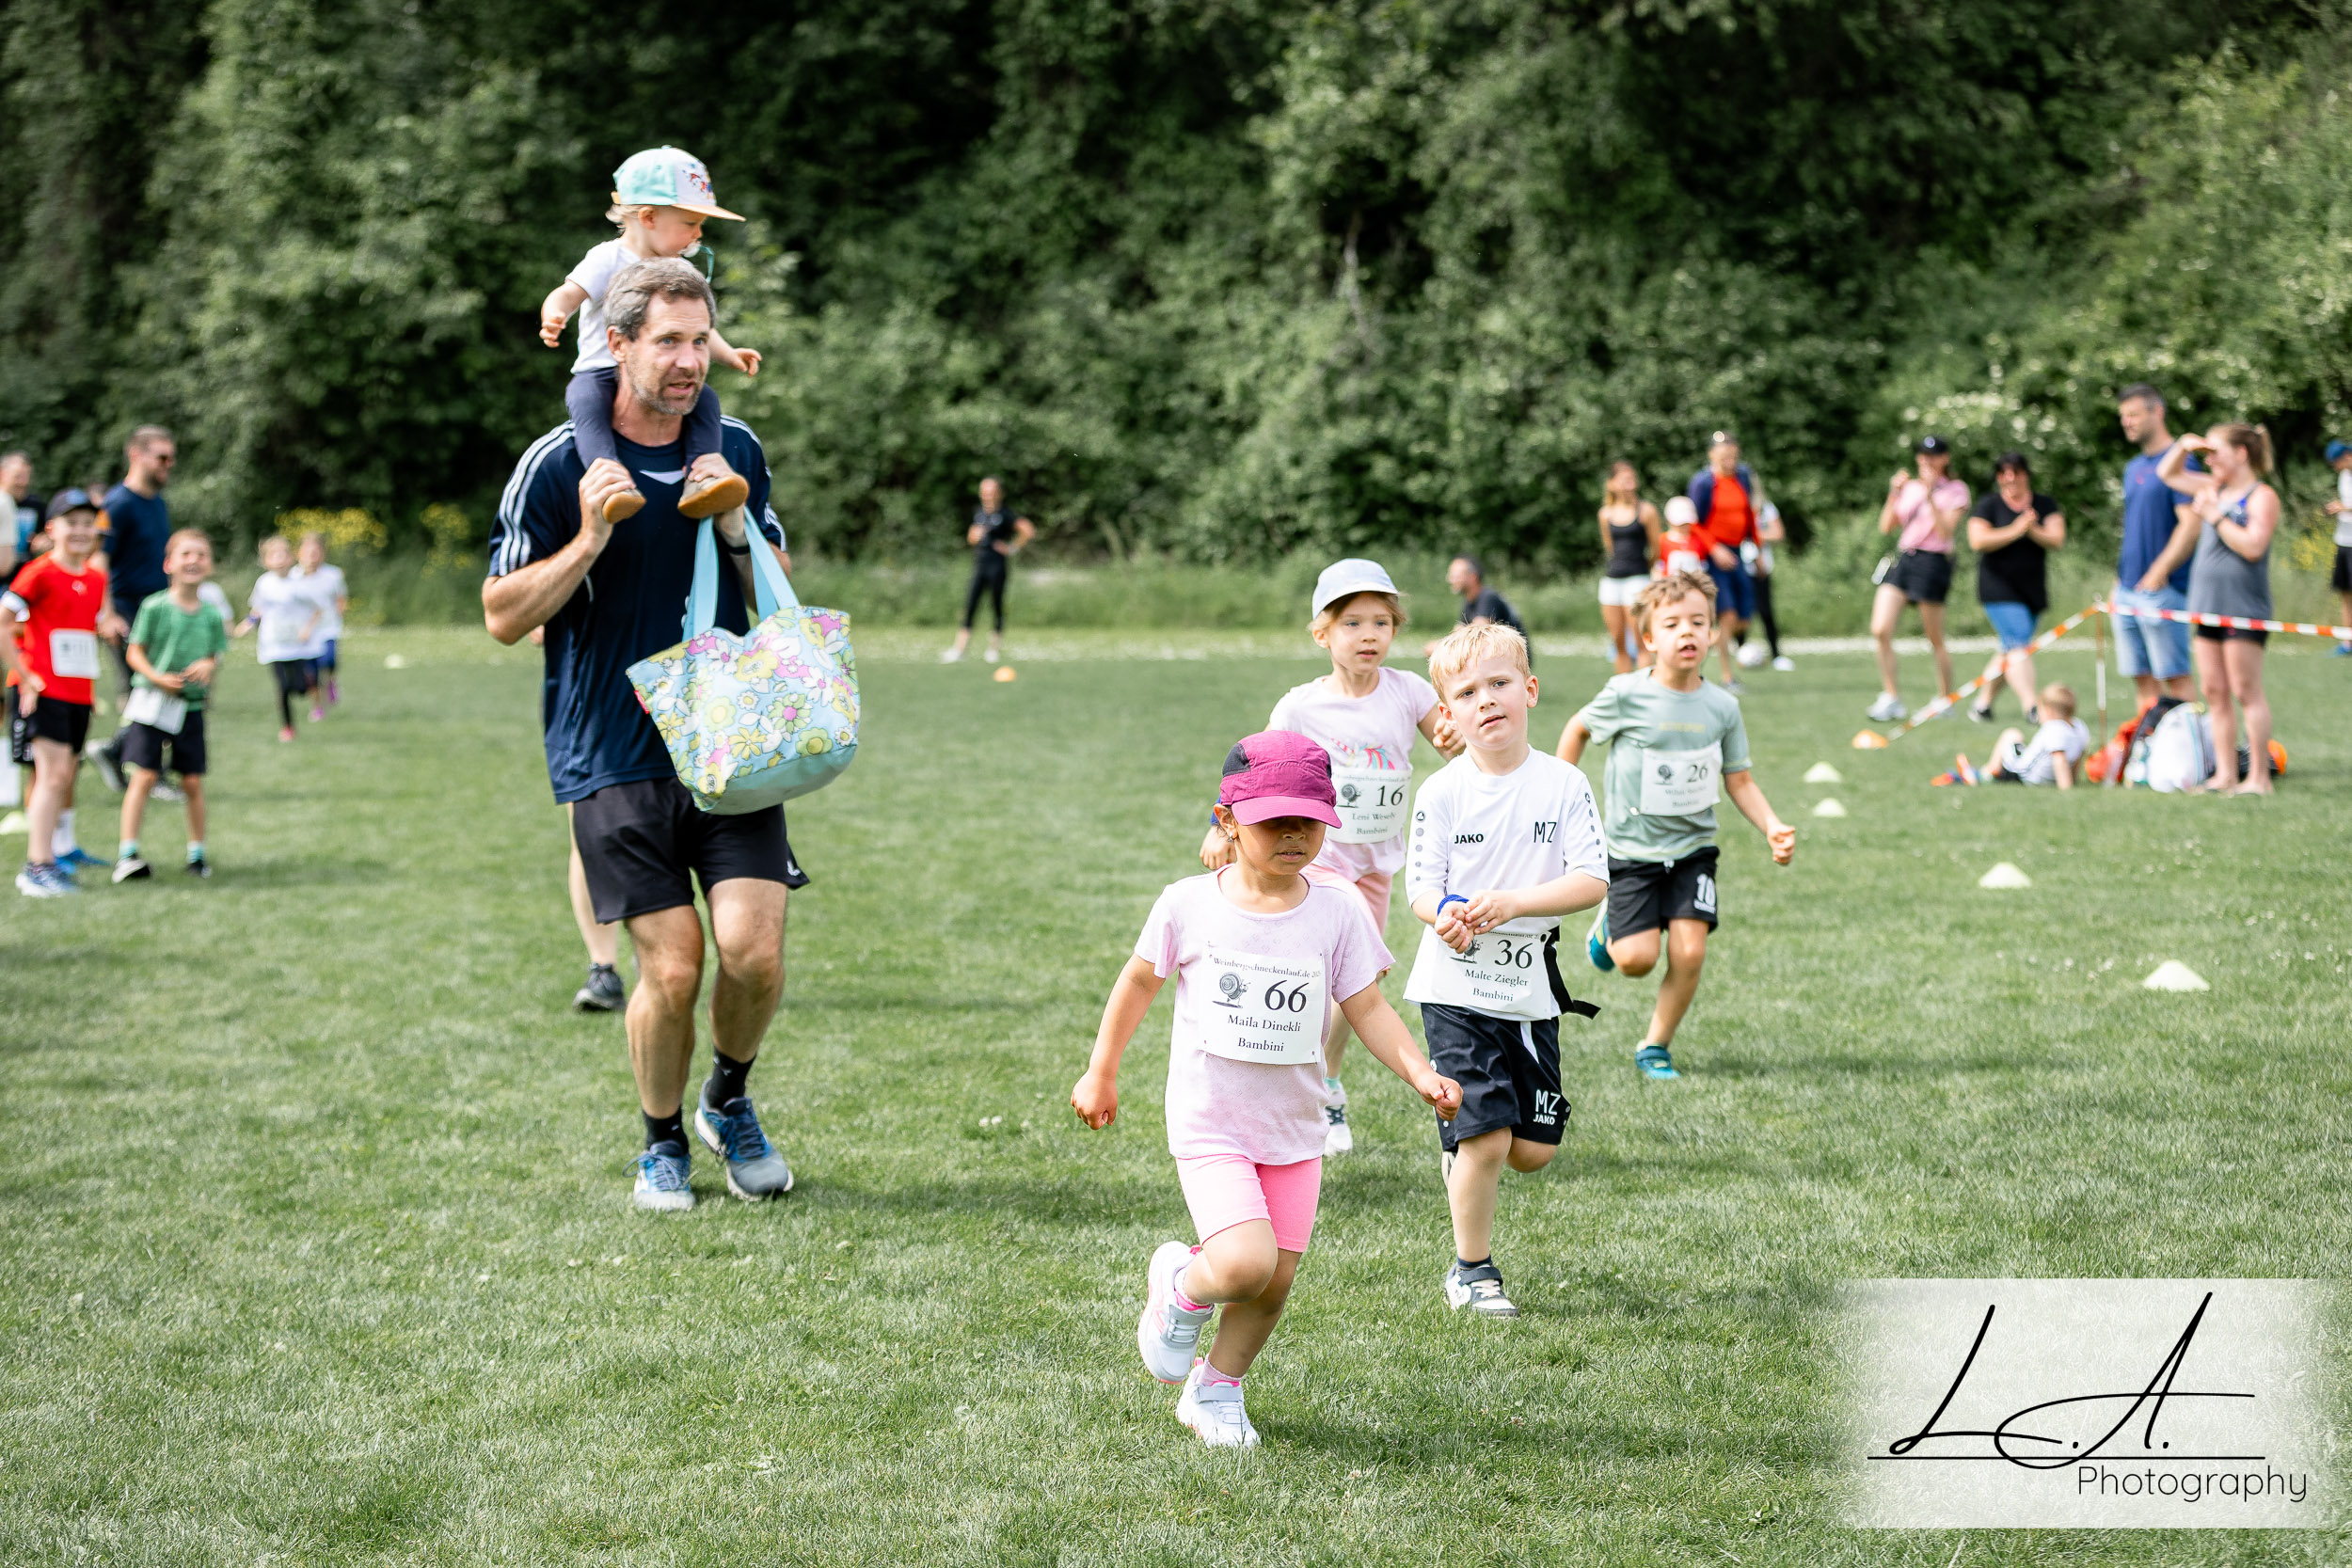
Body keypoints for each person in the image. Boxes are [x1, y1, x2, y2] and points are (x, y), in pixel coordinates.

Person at [487, 256, 806, 1210]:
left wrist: (739, 523)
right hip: (610, 749)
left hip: (727, 740)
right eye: (668, 341)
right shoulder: (558, 464)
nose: (689, 361)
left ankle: (727, 1099)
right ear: (617, 342)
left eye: (699, 341)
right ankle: (660, 1141)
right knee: (672, 966)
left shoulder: (733, 446)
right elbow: (501, 614)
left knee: (754, 951)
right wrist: (589, 537)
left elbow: (778, 583)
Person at [1072, 731, 1460, 1448]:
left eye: (1308, 820)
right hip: (1211, 1121)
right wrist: (1102, 1069)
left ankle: (1216, 1389)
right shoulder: (1187, 903)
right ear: (1226, 819)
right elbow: (1137, 982)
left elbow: (1367, 1006)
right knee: (1243, 1264)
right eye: (1273, 820)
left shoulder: (1338, 908)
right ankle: (1182, 1284)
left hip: (1294, 1127)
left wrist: (1419, 1070)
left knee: (1274, 1283)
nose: (1293, 834)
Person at [1199, 560, 1458, 1156]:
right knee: (1357, 974)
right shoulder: (1301, 707)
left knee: (1353, 983)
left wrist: (1457, 738)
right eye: (1352, 623)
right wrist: (1220, 827)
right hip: (1320, 860)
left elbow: (1452, 744)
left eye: (1381, 622)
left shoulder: (1408, 691)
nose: (1369, 635)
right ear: (1322, 634)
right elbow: (1255, 765)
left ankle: (1326, 1079)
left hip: (1378, 864)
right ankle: (1309, 1083)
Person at [1406, 622, 1609, 1319]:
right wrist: (1446, 914)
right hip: (1454, 989)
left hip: (1528, 991)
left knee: (1531, 1151)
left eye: (1499, 684)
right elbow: (1421, 889)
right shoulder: (1441, 792)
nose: (1486, 700)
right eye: (1467, 693)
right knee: (1487, 1138)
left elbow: (1591, 880)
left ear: (1530, 690)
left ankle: (1464, 1147)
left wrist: (1516, 903)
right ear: (1449, 714)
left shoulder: (1564, 783)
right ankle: (1472, 1270)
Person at [1562, 573, 1796, 1081]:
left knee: (1690, 951)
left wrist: (1772, 826)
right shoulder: (1626, 694)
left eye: (1698, 622)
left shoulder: (1723, 707)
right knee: (1636, 961)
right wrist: (1560, 795)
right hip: (1630, 852)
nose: (1687, 632)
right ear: (1649, 638)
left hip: (1693, 851)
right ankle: (1609, 928)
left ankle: (1655, 1046)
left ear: (1713, 632)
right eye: (1671, 624)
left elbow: (1740, 779)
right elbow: (1577, 729)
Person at [537, 146, 758, 527]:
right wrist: (554, 315)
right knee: (586, 405)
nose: (698, 233)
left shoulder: (681, 270)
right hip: (601, 371)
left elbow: (701, 331)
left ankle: (703, 477)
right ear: (649, 217)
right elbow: (567, 294)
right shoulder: (608, 258)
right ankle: (611, 483)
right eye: (691, 222)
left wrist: (730, 355)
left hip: (658, 374)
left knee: (706, 399)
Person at [3, 492, 124, 896]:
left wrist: (108, 628)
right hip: (43, 691)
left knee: (64, 777)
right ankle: (36, 867)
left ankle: (54, 855)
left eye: (88, 523)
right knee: (51, 776)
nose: (81, 531)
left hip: (78, 694)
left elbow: (81, 630)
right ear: (51, 528)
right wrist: (26, 675)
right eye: (72, 523)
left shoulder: (95, 578)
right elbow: (3, 623)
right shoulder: (37, 573)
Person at [2160, 423, 2280, 795]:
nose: (2209, 460)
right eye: (2206, 454)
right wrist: (2184, 446)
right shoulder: (2212, 489)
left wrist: (2214, 516)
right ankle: (2225, 774)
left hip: (2243, 608)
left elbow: (2253, 547)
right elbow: (2168, 474)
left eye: (2216, 452)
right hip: (2207, 607)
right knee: (2213, 690)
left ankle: (2258, 777)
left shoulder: (2261, 496)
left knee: (2245, 691)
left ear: (2241, 454)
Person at [112, 530, 228, 880]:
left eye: (201, 554)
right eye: (186, 554)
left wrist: (208, 665)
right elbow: (135, 652)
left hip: (190, 708)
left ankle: (197, 855)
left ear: (210, 565)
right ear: (169, 564)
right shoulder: (154, 606)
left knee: (191, 781)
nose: (194, 560)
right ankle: (128, 854)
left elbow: (215, 655)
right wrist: (156, 677)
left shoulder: (211, 614)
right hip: (152, 705)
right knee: (144, 776)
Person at [87, 427, 176, 790]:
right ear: (136, 455)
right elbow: (98, 561)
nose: (169, 464)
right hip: (126, 613)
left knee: (155, 692)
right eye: (162, 457)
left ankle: (116, 752)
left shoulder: (157, 502)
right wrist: (106, 615)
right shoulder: (117, 504)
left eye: (171, 458)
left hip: (157, 613)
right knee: (149, 690)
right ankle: (149, 772)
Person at [1866, 435, 1968, 721]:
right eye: (1923, 455)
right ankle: (1891, 697)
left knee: (1934, 637)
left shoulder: (1956, 490)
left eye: (1933, 455)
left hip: (1933, 561)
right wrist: (1894, 494)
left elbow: (1945, 531)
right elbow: (1886, 526)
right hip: (1905, 558)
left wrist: (1931, 493)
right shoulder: (1909, 488)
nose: (1927, 461)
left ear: (1944, 459)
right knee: (1880, 629)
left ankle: (1945, 699)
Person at [2111, 385, 2201, 707]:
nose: (2127, 422)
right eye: (2123, 416)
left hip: (2163, 590)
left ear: (2157, 412)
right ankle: (2148, 740)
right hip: (2126, 589)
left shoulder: (2181, 464)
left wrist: (2160, 570)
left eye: (2134, 414)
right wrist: (2120, 580)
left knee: (2175, 679)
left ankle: (2189, 740)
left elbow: (2191, 524)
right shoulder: (2133, 467)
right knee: (2143, 680)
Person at [1965, 452, 2066, 722]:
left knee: (2011, 649)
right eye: (2003, 473)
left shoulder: (2044, 504)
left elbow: (2057, 538)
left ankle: (1982, 705)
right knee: (2019, 643)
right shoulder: (1989, 505)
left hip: (2031, 590)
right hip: (1998, 588)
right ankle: (2032, 707)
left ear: (2026, 474)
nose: (2010, 478)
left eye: (2016, 472)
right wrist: (2017, 529)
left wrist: (2032, 530)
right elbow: (1978, 540)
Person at [1686, 432, 1761, 690]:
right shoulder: (1703, 482)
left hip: (1738, 552)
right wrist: (1715, 549)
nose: (1729, 458)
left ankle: (1701, 645)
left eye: (1732, 453)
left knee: (1744, 617)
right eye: (1723, 454)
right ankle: (1727, 677)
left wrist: (1757, 548)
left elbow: (1749, 514)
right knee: (1727, 614)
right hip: (1714, 555)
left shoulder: (1743, 477)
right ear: (1712, 455)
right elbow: (1693, 522)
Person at [239, 536, 325, 743]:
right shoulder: (264, 583)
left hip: (298, 644)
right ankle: (288, 728)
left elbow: (317, 609)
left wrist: (307, 629)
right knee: (283, 687)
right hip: (273, 644)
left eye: (283, 555)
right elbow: (258, 609)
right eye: (273, 556)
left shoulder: (299, 584)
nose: (278, 560)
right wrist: (248, 623)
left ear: (291, 558)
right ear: (266, 561)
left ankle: (310, 687)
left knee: (300, 687)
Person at [941, 477, 1034, 664]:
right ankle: (959, 650)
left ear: (999, 493)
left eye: (991, 492)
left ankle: (993, 650)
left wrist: (1012, 548)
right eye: (984, 492)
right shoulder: (979, 513)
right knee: (970, 606)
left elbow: (1028, 530)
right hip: (980, 565)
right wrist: (973, 536)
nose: (987, 495)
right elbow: (971, 538)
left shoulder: (1005, 513)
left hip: (997, 566)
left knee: (996, 606)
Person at [1934, 684, 2090, 788]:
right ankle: (1983, 773)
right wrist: (2073, 780)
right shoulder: (2079, 727)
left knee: (2011, 734)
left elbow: (2059, 760)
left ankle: (1985, 774)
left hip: (2024, 773)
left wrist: (2065, 787)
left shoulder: (2054, 729)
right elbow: (2078, 757)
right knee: (2019, 743)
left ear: (2049, 711)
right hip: (2044, 776)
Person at [1597, 461, 1662, 675]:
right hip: (1611, 581)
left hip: (1638, 579)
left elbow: (1656, 549)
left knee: (1640, 639)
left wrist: (1645, 568)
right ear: (1612, 484)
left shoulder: (1646, 511)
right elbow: (1610, 547)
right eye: (1624, 480)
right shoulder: (1605, 514)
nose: (1630, 484)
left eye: (1632, 479)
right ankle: (1624, 688)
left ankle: (1644, 688)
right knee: (1618, 641)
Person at [292, 531, 349, 709]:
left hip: (328, 627)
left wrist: (340, 612)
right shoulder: (293, 576)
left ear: (322, 554)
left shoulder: (333, 575)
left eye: (316, 553)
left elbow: (341, 598)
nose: (312, 557)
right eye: (308, 552)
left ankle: (331, 680)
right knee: (310, 671)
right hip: (305, 630)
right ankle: (317, 706)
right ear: (299, 553)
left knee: (329, 660)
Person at [1740, 500, 1793, 673]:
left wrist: (1753, 534)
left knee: (1766, 612)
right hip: (1739, 568)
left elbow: (1778, 533)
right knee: (1741, 614)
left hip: (1762, 570)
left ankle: (1776, 655)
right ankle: (1741, 652)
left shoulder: (1766, 508)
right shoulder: (1735, 507)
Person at [1443, 554, 1528, 652]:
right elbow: (1456, 634)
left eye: (1456, 576)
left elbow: (1476, 632)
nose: (1450, 580)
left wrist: (1441, 647)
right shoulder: (1469, 602)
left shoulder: (1488, 597)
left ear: (1473, 576)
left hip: (1512, 657)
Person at [2324, 438, 2352, 656]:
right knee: (2345, 592)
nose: (2335, 467)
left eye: (2336, 462)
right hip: (2343, 541)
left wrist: (2344, 508)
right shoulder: (2344, 476)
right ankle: (2347, 643)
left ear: (2347, 457)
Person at [1659, 497, 1706, 578]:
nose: (1683, 527)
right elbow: (1659, 567)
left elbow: (1702, 566)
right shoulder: (1662, 540)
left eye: (1686, 523)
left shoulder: (1698, 540)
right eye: (1680, 524)